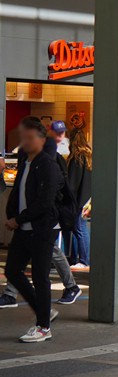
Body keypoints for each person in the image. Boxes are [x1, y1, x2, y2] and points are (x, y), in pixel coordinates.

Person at [4, 117, 66, 342]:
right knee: (12, 270)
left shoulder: (47, 164)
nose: (25, 141)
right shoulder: (26, 162)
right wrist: (13, 216)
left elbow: (45, 202)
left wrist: (18, 219)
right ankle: (44, 310)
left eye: (30, 137)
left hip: (42, 228)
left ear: (41, 140)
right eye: (24, 137)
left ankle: (43, 327)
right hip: (24, 228)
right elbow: (19, 191)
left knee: (40, 277)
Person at [65, 130, 93, 268]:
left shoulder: (76, 157)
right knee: (80, 228)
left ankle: (84, 260)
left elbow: (73, 183)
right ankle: (81, 258)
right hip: (87, 198)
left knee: (79, 228)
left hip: (78, 199)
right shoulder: (89, 156)